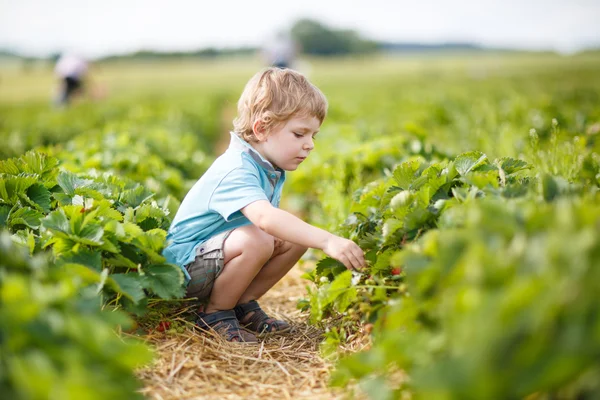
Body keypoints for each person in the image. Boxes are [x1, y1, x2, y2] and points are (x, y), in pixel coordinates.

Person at [163, 68, 366, 343]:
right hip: (181, 274)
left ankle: (241, 306)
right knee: (258, 238)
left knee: (295, 238)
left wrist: (314, 237)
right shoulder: (236, 168)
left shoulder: (265, 166)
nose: (309, 145)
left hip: (211, 261)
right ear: (261, 129)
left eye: (313, 136)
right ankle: (214, 315)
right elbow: (264, 219)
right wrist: (328, 241)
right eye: (299, 134)